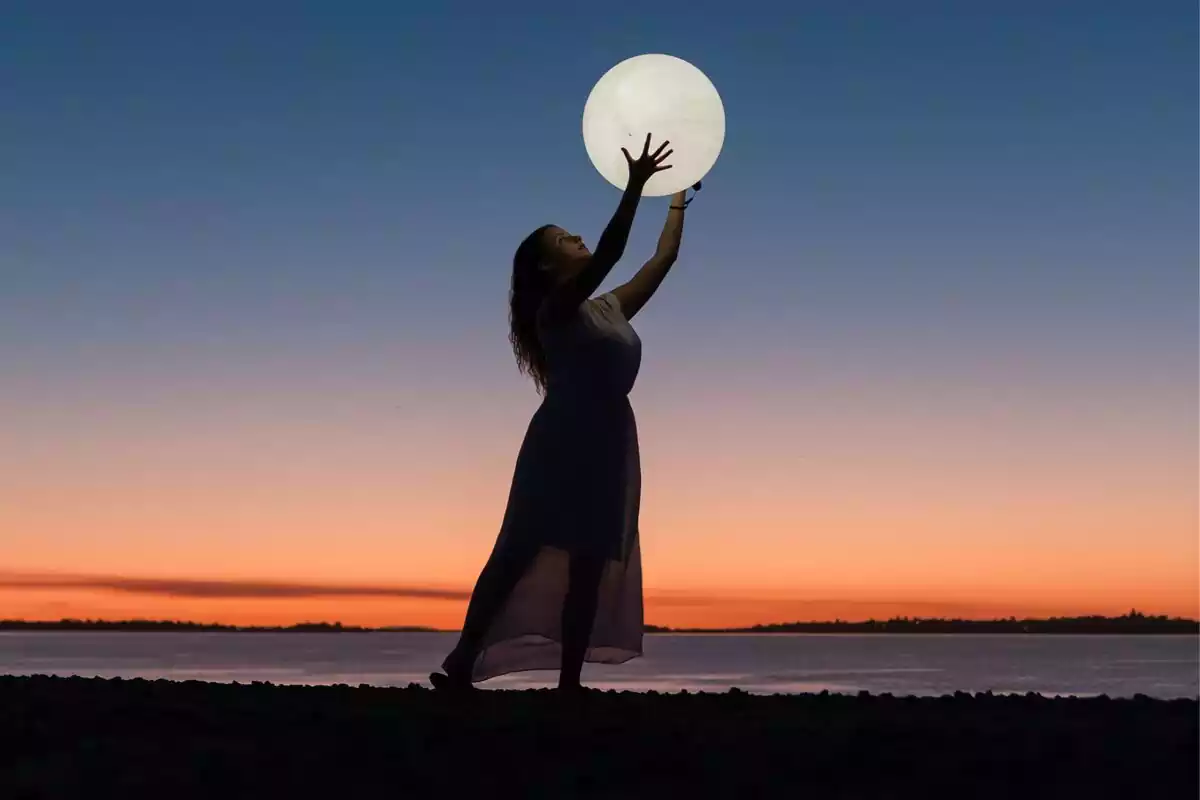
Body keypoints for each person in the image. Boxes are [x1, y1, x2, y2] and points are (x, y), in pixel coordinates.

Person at [429, 133, 691, 692]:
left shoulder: (609, 307)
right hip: (563, 436)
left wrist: (673, 200)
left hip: (610, 437)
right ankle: (463, 660)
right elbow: (613, 251)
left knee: (591, 561)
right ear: (547, 267)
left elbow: (660, 259)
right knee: (520, 549)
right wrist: (634, 186)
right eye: (564, 238)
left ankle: (569, 684)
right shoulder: (556, 309)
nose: (575, 237)